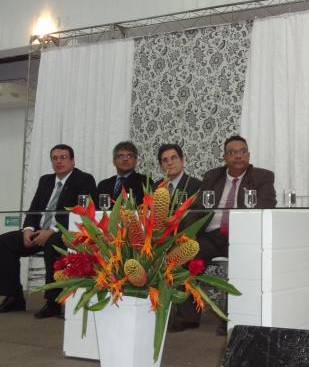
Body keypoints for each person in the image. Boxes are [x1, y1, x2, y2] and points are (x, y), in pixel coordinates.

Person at [168, 134, 276, 333]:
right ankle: (187, 317)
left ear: (248, 155)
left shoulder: (262, 177)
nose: (238, 156)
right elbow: (197, 208)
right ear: (225, 157)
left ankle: (232, 319)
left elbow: (267, 205)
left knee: (244, 261)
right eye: (232, 152)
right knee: (185, 256)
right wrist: (187, 235)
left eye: (242, 151)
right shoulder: (212, 177)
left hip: (242, 235)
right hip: (211, 235)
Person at [0, 144, 96, 318]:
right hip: (39, 231)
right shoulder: (45, 180)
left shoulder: (84, 180)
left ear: (72, 161)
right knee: (4, 242)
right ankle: (14, 297)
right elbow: (34, 208)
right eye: (55, 158)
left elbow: (81, 212)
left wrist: (52, 231)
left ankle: (53, 302)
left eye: (63, 157)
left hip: (66, 232)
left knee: (52, 243)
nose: (59, 161)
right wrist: (28, 229)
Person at [96, 141, 150, 206]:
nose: (125, 159)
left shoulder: (144, 182)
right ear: (114, 161)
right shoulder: (103, 185)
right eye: (121, 156)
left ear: (136, 161)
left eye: (129, 156)